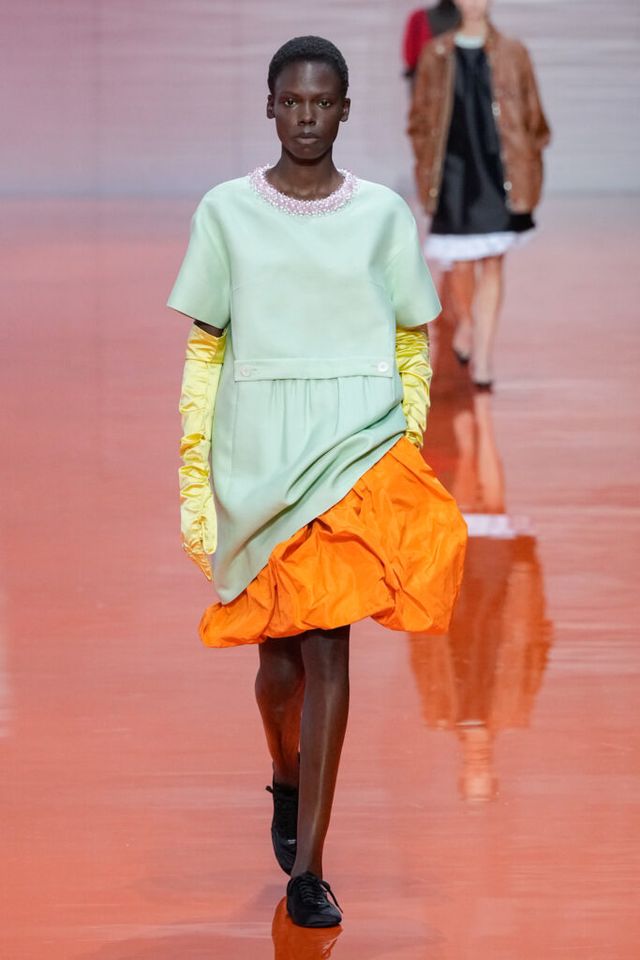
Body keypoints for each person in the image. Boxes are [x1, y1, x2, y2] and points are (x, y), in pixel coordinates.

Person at [167, 36, 467, 928]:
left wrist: (402, 440)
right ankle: (285, 772)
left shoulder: (381, 216)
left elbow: (411, 336)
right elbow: (206, 349)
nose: (306, 117)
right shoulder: (225, 211)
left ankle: (310, 869)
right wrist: (195, 466)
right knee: (278, 663)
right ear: (270, 106)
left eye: (322, 102)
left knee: (330, 645)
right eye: (292, 101)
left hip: (351, 443)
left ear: (344, 109)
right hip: (258, 449)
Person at [407, 0, 551, 387]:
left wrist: (529, 161)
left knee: (493, 263)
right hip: (452, 172)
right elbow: (420, 118)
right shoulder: (436, 53)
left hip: (500, 171)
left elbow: (533, 115)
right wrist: (426, 165)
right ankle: (466, 323)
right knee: (460, 264)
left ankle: (484, 359)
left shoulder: (513, 52)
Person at [402, 0, 461, 83]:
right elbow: (410, 56)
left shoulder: (467, 20)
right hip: (426, 80)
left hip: (458, 81)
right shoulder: (418, 18)